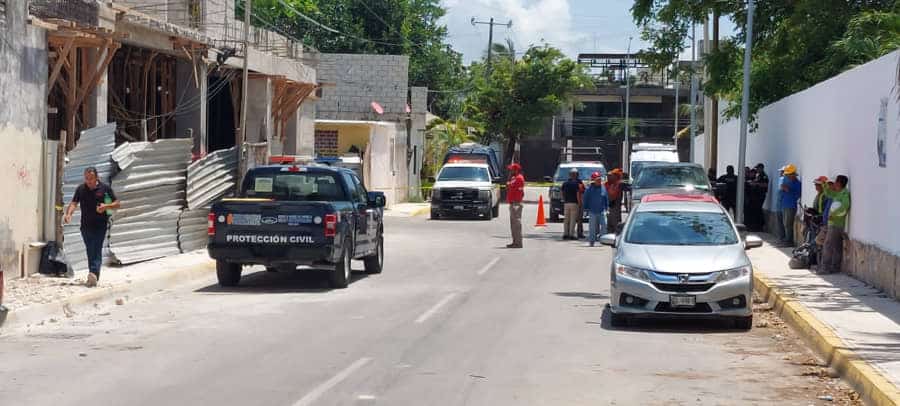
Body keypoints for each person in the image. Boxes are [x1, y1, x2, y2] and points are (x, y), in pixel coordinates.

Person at [63, 167, 120, 287]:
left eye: (91, 178)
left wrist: (106, 206)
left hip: (100, 225)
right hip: (85, 225)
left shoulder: (105, 188)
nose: (88, 181)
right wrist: (69, 214)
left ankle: (93, 273)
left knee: (96, 247)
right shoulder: (81, 189)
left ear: (96, 178)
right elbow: (74, 203)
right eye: (86, 178)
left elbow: (117, 204)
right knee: (90, 249)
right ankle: (93, 274)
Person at [819, 175, 851, 274]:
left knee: (828, 245)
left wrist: (833, 214)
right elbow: (828, 193)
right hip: (833, 224)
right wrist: (824, 184)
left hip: (836, 224)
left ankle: (825, 268)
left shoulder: (844, 194)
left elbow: (845, 206)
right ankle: (835, 267)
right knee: (837, 246)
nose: (834, 184)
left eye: (836, 182)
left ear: (839, 183)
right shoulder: (838, 193)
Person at [582, 172, 609, 246]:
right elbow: (585, 199)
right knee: (592, 228)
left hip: (602, 211)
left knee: (604, 226)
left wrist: (607, 208)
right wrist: (585, 210)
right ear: (594, 181)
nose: (599, 181)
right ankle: (592, 241)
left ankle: (603, 240)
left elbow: (606, 198)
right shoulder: (589, 189)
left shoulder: (603, 188)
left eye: (600, 179)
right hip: (592, 211)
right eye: (597, 180)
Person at [778, 164, 802, 247]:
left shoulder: (797, 183)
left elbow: (798, 195)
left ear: (793, 174)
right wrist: (782, 190)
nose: (787, 176)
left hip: (791, 205)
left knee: (788, 224)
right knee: (785, 223)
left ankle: (789, 241)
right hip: (784, 204)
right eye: (787, 175)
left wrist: (788, 190)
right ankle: (786, 239)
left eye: (788, 175)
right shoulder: (787, 181)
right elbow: (781, 192)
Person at [506, 163, 525, 248]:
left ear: (516, 170)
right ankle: (515, 242)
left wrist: (509, 184)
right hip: (512, 203)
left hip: (516, 203)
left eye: (511, 169)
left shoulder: (519, 179)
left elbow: (520, 192)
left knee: (516, 224)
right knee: (513, 225)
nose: (510, 171)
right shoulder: (514, 178)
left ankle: (518, 242)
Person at [561, 168, 582, 240]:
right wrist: (579, 203)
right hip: (574, 203)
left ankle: (565, 234)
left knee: (566, 219)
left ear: (569, 175)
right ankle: (571, 234)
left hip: (566, 203)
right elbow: (578, 194)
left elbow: (562, 193)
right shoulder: (577, 184)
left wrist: (564, 200)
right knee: (573, 219)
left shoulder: (565, 183)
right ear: (576, 175)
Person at [605, 169, 624, 233]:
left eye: (612, 176)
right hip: (610, 207)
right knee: (609, 223)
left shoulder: (618, 184)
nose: (610, 177)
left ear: (616, 176)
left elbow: (613, 195)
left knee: (615, 224)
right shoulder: (611, 184)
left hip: (614, 207)